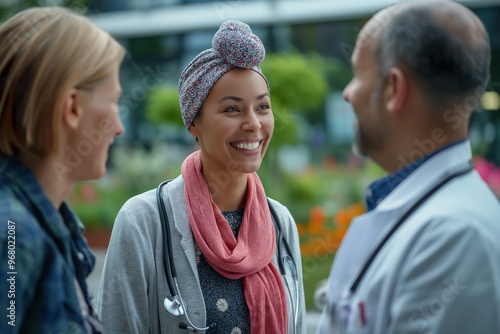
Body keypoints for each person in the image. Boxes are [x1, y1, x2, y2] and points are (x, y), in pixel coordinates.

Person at [98, 20, 306, 333]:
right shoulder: (144, 222)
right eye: (232, 110)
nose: (253, 124)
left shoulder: (280, 222)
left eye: (262, 106)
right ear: (194, 122)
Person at [317, 0, 500, 333]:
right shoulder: (440, 216)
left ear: (393, 89)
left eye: (357, 74)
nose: (347, 93)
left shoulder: (455, 237)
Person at [0, 6, 125, 334]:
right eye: (113, 101)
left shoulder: (44, 226)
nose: (119, 127)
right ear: (72, 107)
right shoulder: (14, 238)